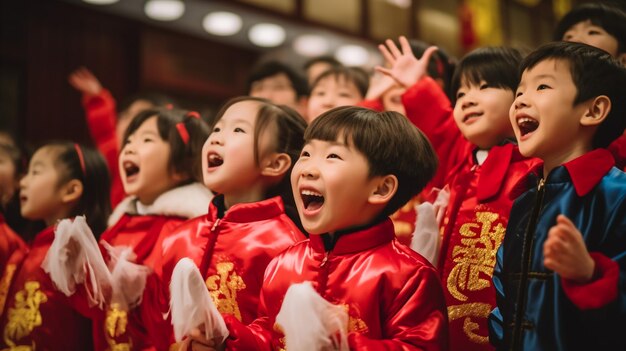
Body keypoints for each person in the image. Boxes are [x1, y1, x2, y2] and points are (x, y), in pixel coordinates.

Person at [188, 106, 448, 350]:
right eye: (306, 154)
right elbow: (271, 337)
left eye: (332, 156)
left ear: (380, 189)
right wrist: (228, 336)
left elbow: (418, 345)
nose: (308, 169)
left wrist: (340, 344)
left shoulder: (408, 275)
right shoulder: (285, 262)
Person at [377, 36, 539, 351]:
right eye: (460, 92)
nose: (467, 99)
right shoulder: (459, 156)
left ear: (522, 98)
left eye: (484, 86)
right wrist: (416, 86)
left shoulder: (536, 162)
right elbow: (438, 123)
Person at [136, 96, 308, 350]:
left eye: (238, 129)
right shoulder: (179, 237)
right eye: (217, 128)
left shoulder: (288, 246)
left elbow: (285, 338)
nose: (216, 137)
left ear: (275, 163)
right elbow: (157, 328)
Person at [489, 41, 626, 351]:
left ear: (593, 110)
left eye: (542, 87)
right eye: (520, 90)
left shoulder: (616, 195)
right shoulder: (524, 200)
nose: (521, 100)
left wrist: (590, 275)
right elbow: (504, 296)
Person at [0, 141, 111, 350]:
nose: (23, 182)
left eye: (36, 172)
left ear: (70, 190)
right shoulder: (32, 248)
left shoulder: (72, 250)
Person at [68, 67, 171, 207]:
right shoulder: (117, 156)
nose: (131, 121)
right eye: (126, 115)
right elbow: (106, 134)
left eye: (140, 115)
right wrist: (97, 99)